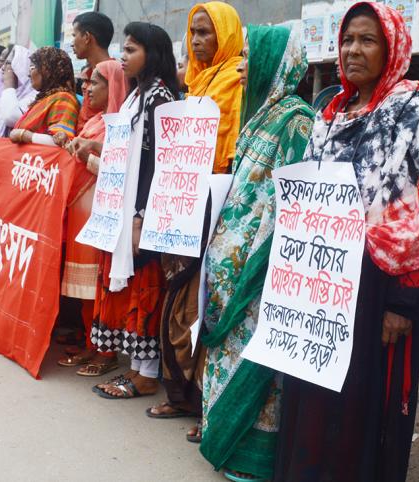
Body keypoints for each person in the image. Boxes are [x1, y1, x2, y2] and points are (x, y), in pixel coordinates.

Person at [273, 4, 419, 481]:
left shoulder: (416, 115)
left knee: (358, 403)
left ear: (391, 47)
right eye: (348, 39)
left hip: (377, 288)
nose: (354, 50)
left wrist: (405, 301)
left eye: (367, 40)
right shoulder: (331, 111)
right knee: (312, 393)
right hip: (320, 281)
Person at [198, 24, 315, 481]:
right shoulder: (260, 114)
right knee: (227, 357)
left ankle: (252, 458)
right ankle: (223, 442)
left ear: (277, 62)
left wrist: (250, 263)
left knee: (255, 364)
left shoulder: (297, 120)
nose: (244, 67)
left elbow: (287, 203)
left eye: (252, 57)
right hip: (229, 266)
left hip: (258, 269)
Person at [147, 0, 243, 431]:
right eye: (194, 32)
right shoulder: (196, 84)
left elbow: (234, 150)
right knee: (176, 295)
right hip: (181, 203)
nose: (199, 40)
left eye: (207, 32)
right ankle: (179, 392)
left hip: (215, 204)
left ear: (225, 35)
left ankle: (199, 400)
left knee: (201, 301)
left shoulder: (236, 81)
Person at [89, 22, 179, 397]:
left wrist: (142, 215)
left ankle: (146, 374)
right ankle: (139, 369)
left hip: (144, 211)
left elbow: (158, 163)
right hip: (125, 208)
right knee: (133, 286)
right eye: (122, 50)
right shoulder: (136, 96)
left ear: (152, 54)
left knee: (146, 285)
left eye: (130, 51)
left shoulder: (160, 99)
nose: (122, 58)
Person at [58, 59, 127, 372]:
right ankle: (90, 342)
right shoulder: (93, 121)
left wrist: (87, 158)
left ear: (112, 85)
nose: (87, 88)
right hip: (79, 208)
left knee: (98, 285)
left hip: (98, 211)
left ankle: (105, 351)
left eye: (95, 81)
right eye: (85, 82)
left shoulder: (119, 125)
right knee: (85, 287)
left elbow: (119, 174)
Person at [185, 1, 243, 174]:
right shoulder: (197, 79)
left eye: (203, 33)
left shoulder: (238, 76)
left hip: (222, 180)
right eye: (193, 33)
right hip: (190, 178)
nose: (195, 41)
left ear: (226, 35)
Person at [8, 46, 79, 146]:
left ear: (48, 70)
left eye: (32, 68)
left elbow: (63, 143)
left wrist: (24, 135)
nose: (29, 74)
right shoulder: (44, 99)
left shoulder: (63, 99)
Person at [71, 11, 115, 133]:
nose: (71, 43)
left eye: (74, 36)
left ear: (86, 37)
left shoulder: (115, 77)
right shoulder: (87, 73)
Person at [0, 45, 36, 137]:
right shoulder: (2, 93)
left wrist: (9, 84)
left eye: (6, 62)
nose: (0, 66)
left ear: (19, 63)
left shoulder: (34, 96)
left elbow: (10, 118)